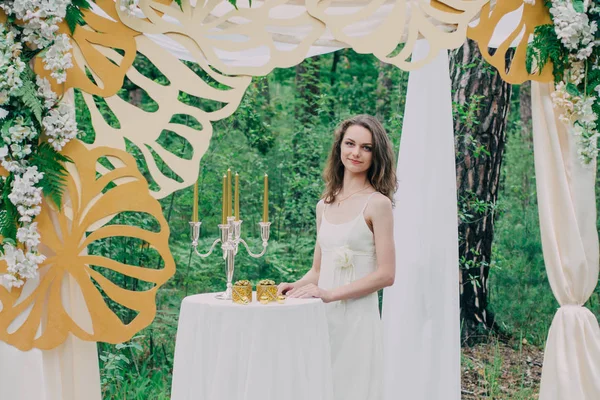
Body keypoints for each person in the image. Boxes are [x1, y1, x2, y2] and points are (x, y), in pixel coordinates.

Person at [277, 114, 397, 400]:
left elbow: (387, 274)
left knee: (352, 389)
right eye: (350, 144)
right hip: (323, 318)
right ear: (339, 148)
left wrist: (331, 294)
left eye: (366, 147)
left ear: (376, 154)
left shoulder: (378, 204)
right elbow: (318, 270)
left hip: (357, 320)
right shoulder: (324, 206)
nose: (356, 153)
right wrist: (291, 287)